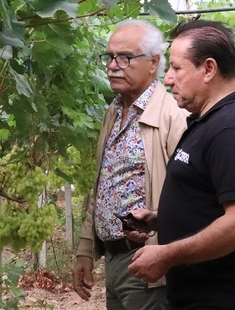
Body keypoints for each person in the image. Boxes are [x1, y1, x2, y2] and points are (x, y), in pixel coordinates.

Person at [128, 19, 235, 310]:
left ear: (209, 69)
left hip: (231, 301)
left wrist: (167, 255)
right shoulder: (210, 122)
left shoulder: (232, 131)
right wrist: (161, 219)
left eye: (176, 68)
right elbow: (211, 201)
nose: (168, 79)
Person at [73, 19, 187, 310]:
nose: (113, 65)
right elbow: (102, 185)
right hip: (113, 260)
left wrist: (165, 253)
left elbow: (191, 196)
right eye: (110, 57)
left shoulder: (173, 116)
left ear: (153, 62)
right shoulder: (113, 112)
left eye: (124, 57)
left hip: (148, 262)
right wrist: (86, 248)